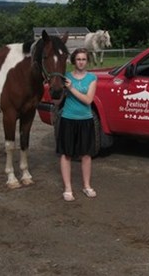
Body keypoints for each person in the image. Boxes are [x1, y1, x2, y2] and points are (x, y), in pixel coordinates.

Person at [57, 48, 98, 202]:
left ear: (87, 61)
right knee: (66, 154)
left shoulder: (92, 78)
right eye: (78, 59)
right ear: (74, 61)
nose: (81, 62)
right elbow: (57, 99)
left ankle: (86, 185)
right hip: (68, 119)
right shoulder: (65, 77)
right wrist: (57, 89)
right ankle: (68, 188)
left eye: (84, 59)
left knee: (86, 155)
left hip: (85, 120)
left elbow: (88, 100)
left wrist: (71, 88)